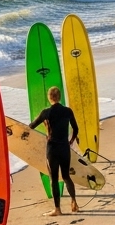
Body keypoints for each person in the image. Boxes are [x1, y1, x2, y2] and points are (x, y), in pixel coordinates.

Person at [30, 86, 79, 217]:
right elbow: (76, 128)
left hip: (52, 149)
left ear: (49, 97)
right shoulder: (68, 111)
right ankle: (74, 202)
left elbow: (31, 127)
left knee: (54, 179)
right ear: (60, 97)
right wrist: (71, 141)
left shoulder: (46, 112)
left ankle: (57, 209)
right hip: (64, 147)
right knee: (66, 176)